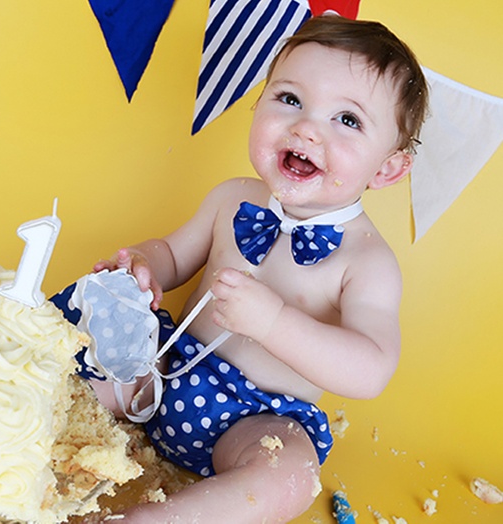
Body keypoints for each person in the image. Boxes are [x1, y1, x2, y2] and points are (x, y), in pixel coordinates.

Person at [51, 15, 428, 523]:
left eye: (348, 120)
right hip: (165, 369)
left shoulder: (367, 262)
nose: (306, 127)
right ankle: (12, 437)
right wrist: (144, 265)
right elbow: (172, 253)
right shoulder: (232, 198)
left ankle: (160, 518)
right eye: (290, 100)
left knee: (289, 474)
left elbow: (371, 368)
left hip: (256, 420)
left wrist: (273, 323)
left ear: (387, 168)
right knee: (92, 355)